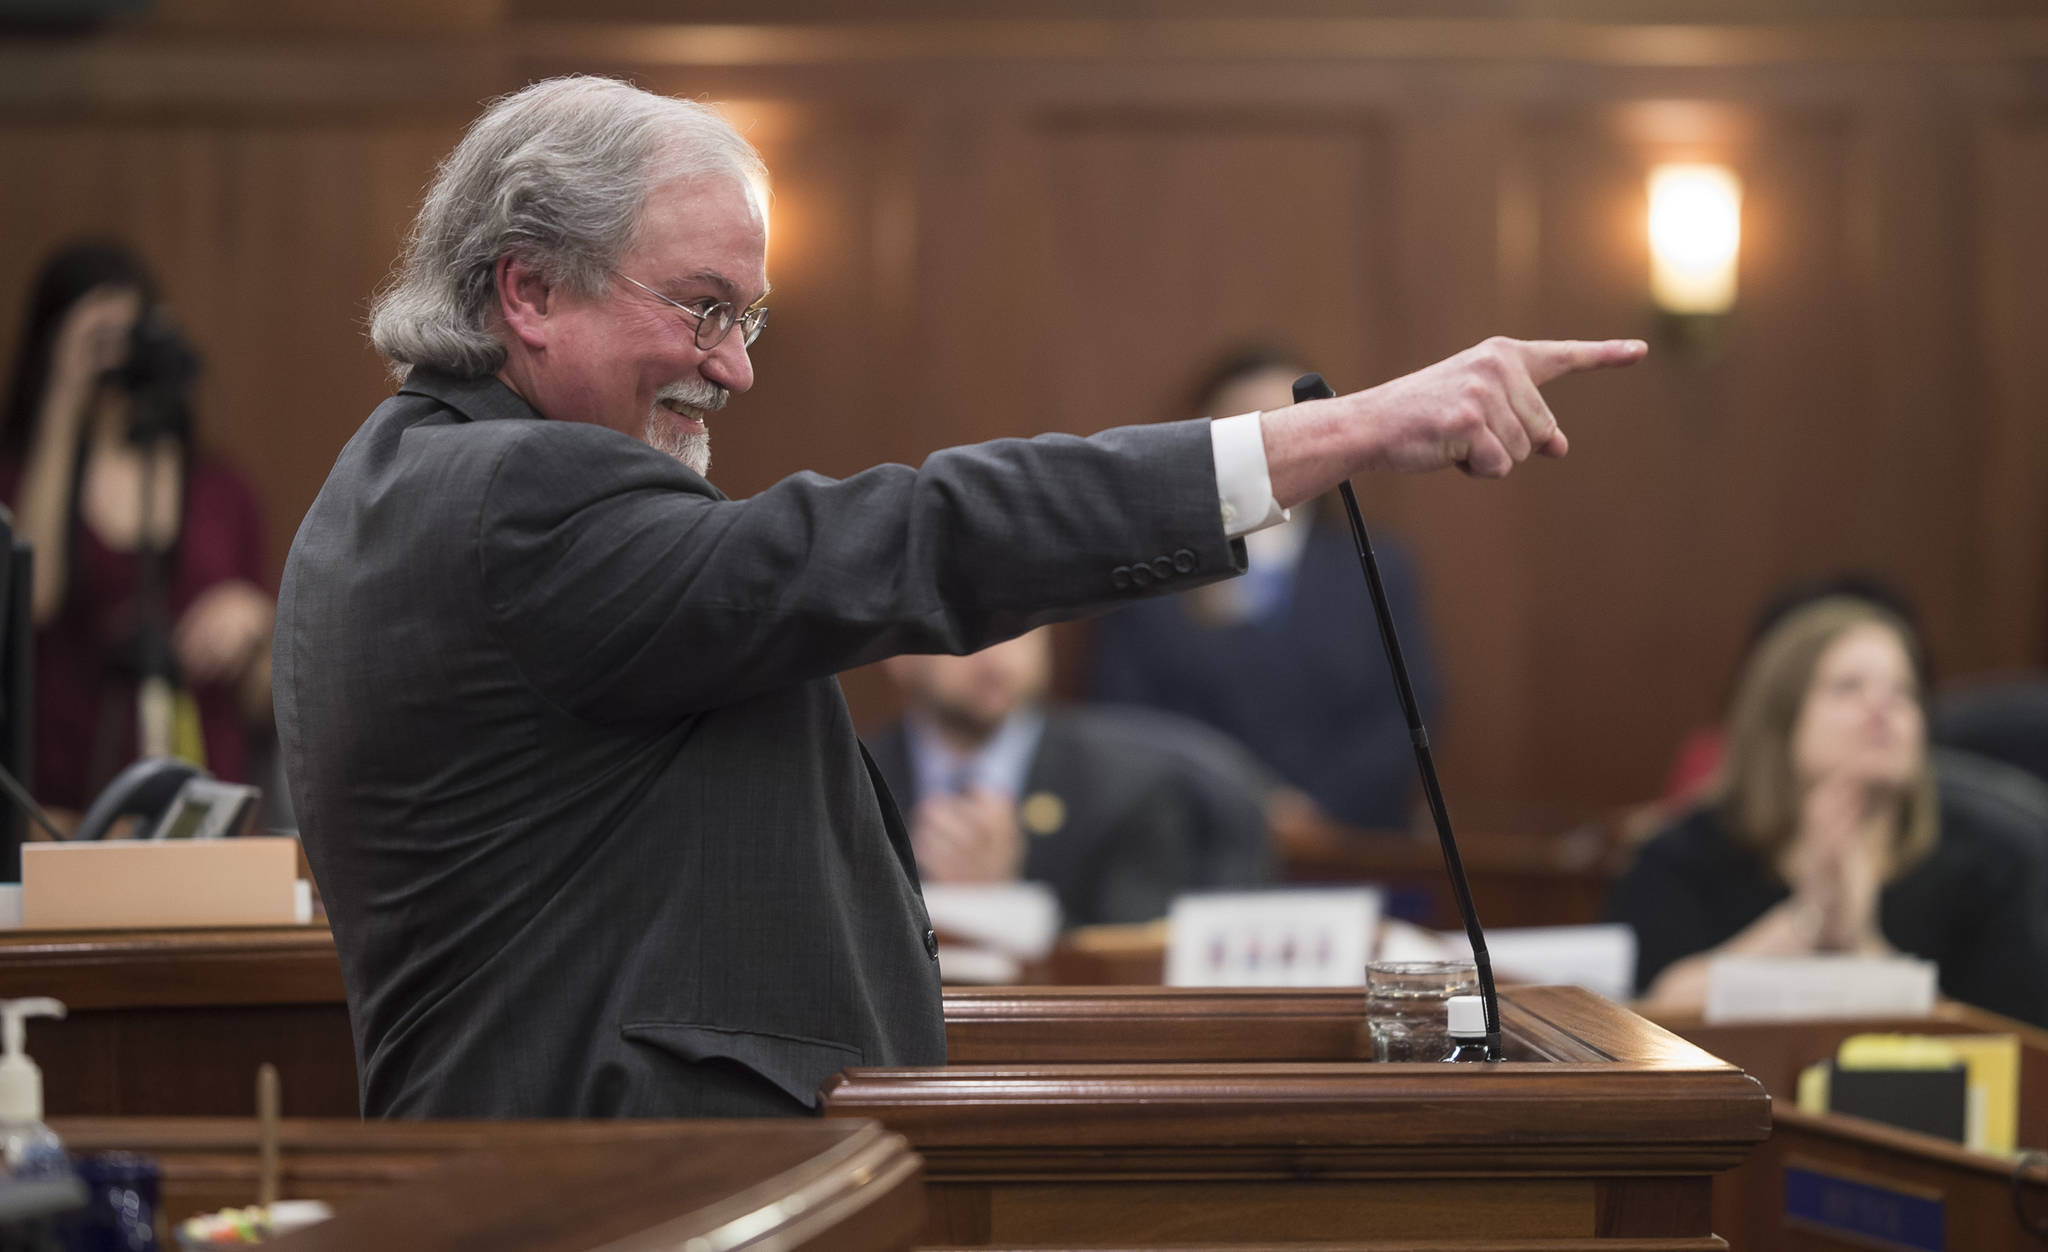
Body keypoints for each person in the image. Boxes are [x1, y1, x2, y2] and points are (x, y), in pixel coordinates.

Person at [275, 75, 1647, 1120]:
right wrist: (1331, 438)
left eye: (746, 321)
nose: (734, 371)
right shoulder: (505, 505)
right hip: (624, 1191)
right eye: (700, 310)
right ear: (528, 290)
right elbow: (915, 540)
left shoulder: (420, 485)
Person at [1608, 598, 2048, 1026]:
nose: (1882, 706)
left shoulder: (1992, 865)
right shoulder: (1683, 853)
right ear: (1779, 717)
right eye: (1848, 687)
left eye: (1904, 692)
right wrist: (1806, 923)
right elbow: (1646, 1019)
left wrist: (1858, 942)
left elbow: (2011, 1048)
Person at [1089, 347, 1435, 832]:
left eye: (1295, 427)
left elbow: (1407, 711)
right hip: (1194, 845)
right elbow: (1128, 721)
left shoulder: (1374, 563)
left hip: (1347, 843)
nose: (1278, 449)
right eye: (1254, 431)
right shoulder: (1150, 571)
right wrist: (1246, 811)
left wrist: (1317, 811)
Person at [0, 242, 273, 818]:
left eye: (130, 337)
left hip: (203, 805)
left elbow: (272, 697)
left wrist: (256, 622)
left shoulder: (221, 490)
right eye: (97, 341)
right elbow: (30, 601)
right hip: (63, 807)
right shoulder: (23, 481)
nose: (116, 359)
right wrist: (64, 399)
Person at [870, 627, 1269, 927]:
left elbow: (1128, 978)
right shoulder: (850, 785)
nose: (993, 657)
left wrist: (1001, 905)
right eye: (964, 629)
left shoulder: (1129, 788)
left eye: (1016, 627)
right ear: (897, 651)